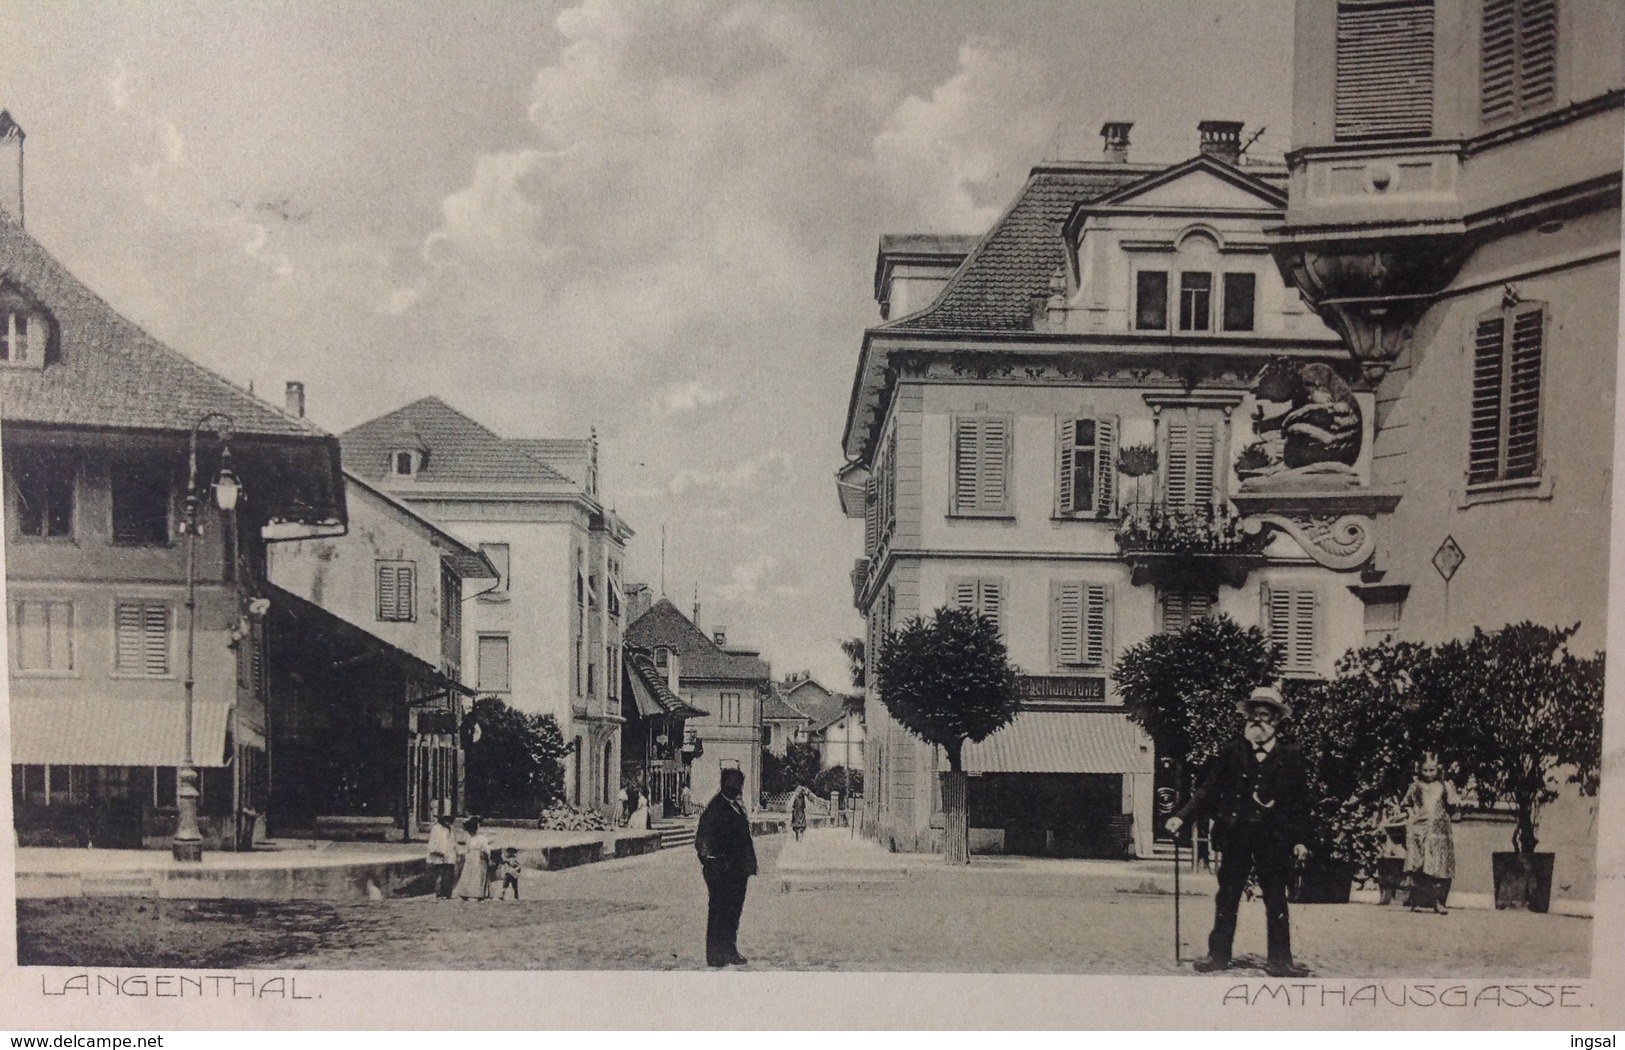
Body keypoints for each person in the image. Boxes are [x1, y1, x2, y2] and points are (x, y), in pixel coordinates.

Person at [1166, 686, 1310, 978]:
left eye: (1265, 716)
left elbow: (1301, 802)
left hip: (1274, 838)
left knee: (1275, 897)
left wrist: (1301, 839)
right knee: (1228, 895)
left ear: (1277, 721)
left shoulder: (1291, 756)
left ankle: (1280, 961)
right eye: (1253, 715)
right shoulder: (1232, 752)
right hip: (1236, 834)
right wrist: (1181, 817)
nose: (1257, 721)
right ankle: (1217, 956)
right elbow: (1207, 790)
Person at [696, 768, 757, 967]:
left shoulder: (735, 806)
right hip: (723, 872)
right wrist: (713, 863)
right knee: (719, 912)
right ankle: (715, 955)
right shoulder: (716, 808)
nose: (738, 788)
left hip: (737, 871)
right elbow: (702, 841)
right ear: (725, 785)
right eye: (734, 784)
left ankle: (729, 951)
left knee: (733, 912)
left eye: (739, 784)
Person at [1401, 753, 1460, 914]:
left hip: (1440, 832)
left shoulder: (1444, 786)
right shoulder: (1416, 786)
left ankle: (1439, 902)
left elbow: (1453, 806)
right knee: (1420, 864)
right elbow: (1406, 804)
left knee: (1440, 865)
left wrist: (1453, 805)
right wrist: (1411, 815)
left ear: (1438, 769)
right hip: (1420, 830)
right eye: (1425, 770)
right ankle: (1418, 901)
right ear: (1419, 770)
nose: (1428, 774)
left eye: (1432, 770)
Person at [452, 817, 492, 901]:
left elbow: (486, 849)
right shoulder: (468, 838)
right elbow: (467, 848)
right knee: (467, 874)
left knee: (476, 875)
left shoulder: (481, 838)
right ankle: (465, 893)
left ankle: (477, 893)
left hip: (478, 857)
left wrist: (486, 857)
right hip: (469, 857)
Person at [426, 812, 458, 900]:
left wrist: (456, 853)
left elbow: (454, 842)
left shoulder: (451, 829)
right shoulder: (436, 828)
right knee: (439, 875)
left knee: (448, 875)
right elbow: (432, 841)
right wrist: (436, 851)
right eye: (445, 819)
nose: (447, 821)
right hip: (439, 855)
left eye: (449, 819)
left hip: (450, 854)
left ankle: (447, 893)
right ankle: (439, 893)